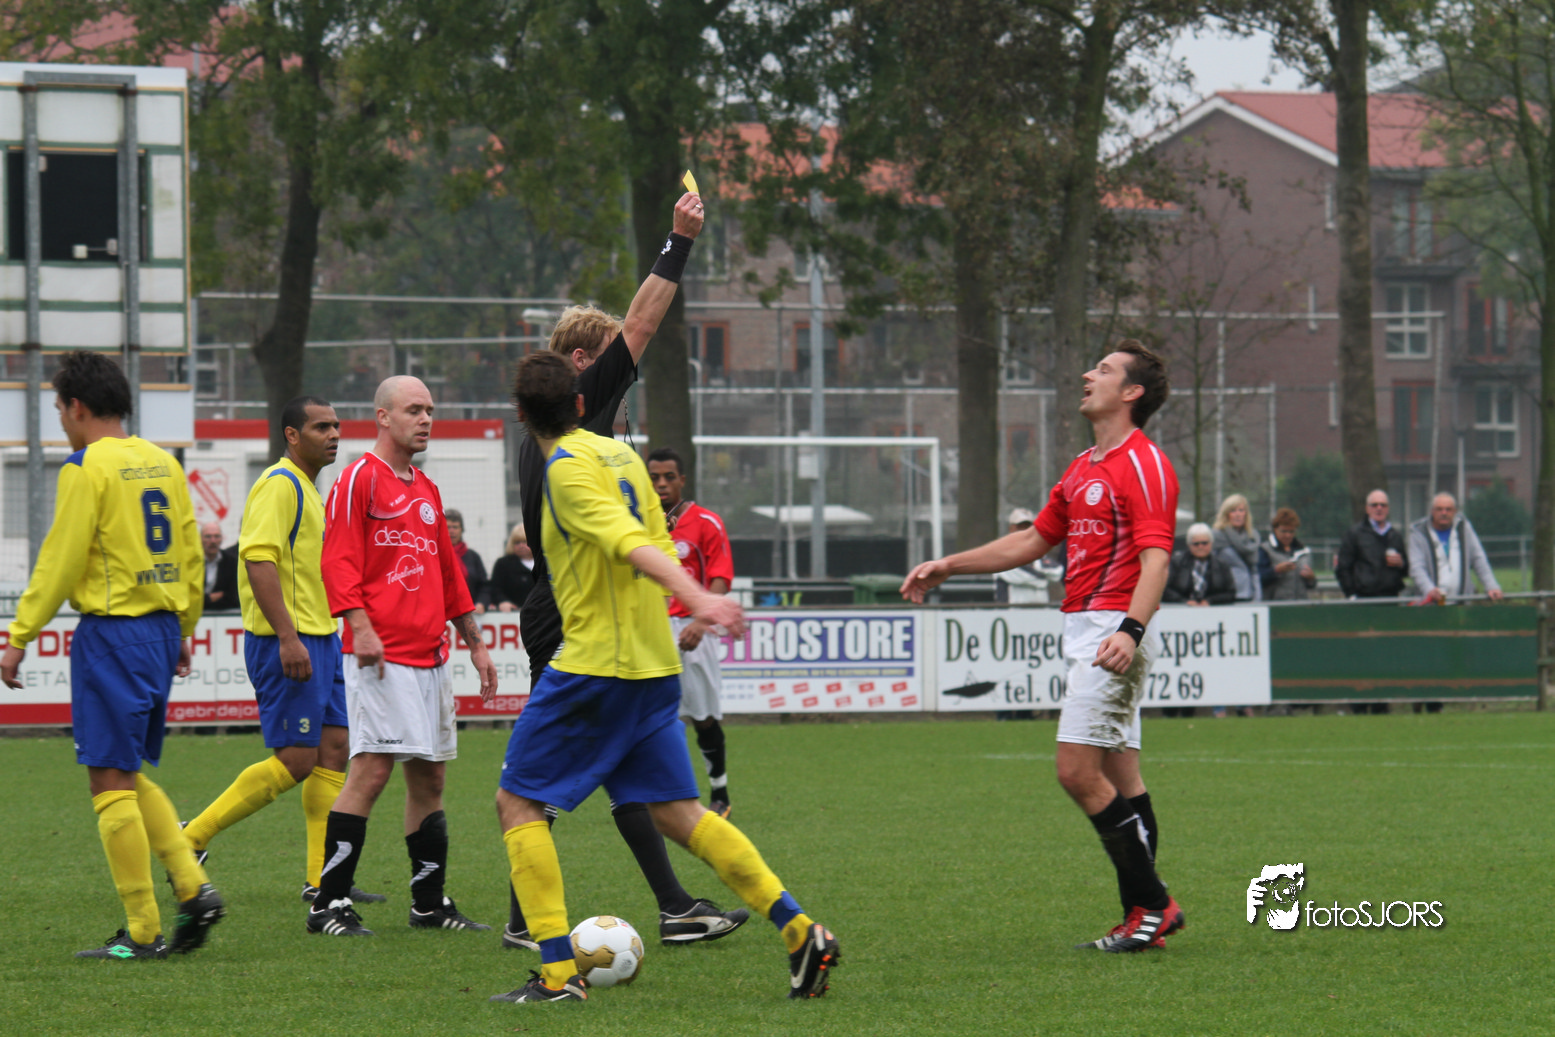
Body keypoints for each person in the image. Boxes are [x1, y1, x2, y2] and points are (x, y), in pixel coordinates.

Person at [491, 352, 839, 1003]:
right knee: (679, 814)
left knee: (517, 802)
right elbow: (657, 537)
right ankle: (798, 929)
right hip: (654, 666)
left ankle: (558, 975)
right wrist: (691, 597)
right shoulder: (623, 457)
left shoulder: (563, 468)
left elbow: (627, 541)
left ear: (519, 414)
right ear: (579, 404)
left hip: (595, 667)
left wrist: (699, 598)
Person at [506, 187, 746, 953]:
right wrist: (679, 241)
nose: (627, 370)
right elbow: (641, 323)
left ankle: (648, 907)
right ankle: (614, 914)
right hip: (570, 613)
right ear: (583, 363)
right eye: (614, 360)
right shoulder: (578, 407)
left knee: (596, 768)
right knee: (553, 776)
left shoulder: (558, 438)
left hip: (565, 609)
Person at [902, 339, 1184, 954]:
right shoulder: (1083, 467)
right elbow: (1032, 540)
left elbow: (1157, 560)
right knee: (1122, 775)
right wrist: (950, 564)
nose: (1088, 374)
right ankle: (1143, 914)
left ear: (1131, 392)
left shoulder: (1144, 463)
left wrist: (1130, 631)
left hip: (1113, 631)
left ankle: (1155, 906)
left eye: (1104, 370)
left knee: (1076, 772)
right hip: (1091, 629)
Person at [0, 350, 223, 959]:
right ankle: (193, 887)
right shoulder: (163, 462)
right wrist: (184, 626)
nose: (61, 421)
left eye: (58, 409)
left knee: (106, 778)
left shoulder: (86, 467)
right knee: (124, 772)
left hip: (113, 633)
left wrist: (20, 635)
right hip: (159, 631)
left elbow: (61, 557)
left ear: (76, 406)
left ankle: (145, 930)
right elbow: (190, 552)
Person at [312, 375, 499, 937]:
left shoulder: (426, 489)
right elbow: (337, 561)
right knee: (371, 771)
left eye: (430, 410)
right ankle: (328, 904)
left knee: (430, 780)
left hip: (430, 657)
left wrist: (475, 643)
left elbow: (449, 575)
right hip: (381, 657)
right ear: (383, 417)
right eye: (414, 410)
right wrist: (360, 627)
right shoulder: (358, 479)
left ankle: (428, 904)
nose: (425, 419)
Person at [180, 397, 384, 908]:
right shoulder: (279, 484)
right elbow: (258, 561)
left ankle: (321, 879)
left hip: (323, 637)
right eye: (321, 427)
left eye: (336, 426)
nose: (334, 434)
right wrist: (288, 637)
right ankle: (192, 837)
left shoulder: (309, 489)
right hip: (288, 641)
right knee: (296, 760)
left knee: (334, 750)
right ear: (292, 435)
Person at [647, 446, 736, 818]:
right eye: (654, 477)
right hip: (649, 629)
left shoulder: (706, 522)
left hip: (692, 630)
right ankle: (656, 792)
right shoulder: (637, 524)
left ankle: (720, 792)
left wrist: (702, 621)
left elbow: (720, 577)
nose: (661, 484)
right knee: (651, 717)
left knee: (703, 716)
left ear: (682, 480)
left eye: (669, 477)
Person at [1407, 493, 1503, 604]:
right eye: (1439, 509)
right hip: (1431, 604)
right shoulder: (1419, 533)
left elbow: (1478, 559)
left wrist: (1491, 586)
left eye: (1448, 509)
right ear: (1432, 511)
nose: (1444, 513)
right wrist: (1429, 589)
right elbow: (1417, 567)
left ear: (1455, 511)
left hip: (1461, 604)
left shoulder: (1464, 528)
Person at [1335, 490, 1408, 600]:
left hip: (1391, 598)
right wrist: (1351, 594)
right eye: (1374, 505)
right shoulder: (1354, 534)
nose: (1379, 508)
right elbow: (1343, 567)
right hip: (1363, 599)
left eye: (1383, 505)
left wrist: (1401, 563)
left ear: (1388, 509)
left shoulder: (1395, 536)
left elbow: (1406, 569)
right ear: (1367, 509)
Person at [995, 508, 1061, 605]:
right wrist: (1044, 578)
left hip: (1040, 610)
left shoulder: (1037, 552)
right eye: (1020, 527)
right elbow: (1023, 576)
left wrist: (1037, 568)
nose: (1025, 531)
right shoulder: (1001, 552)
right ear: (1011, 529)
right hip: (1012, 610)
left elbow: (1057, 571)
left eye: (1028, 527)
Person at [1163, 523, 1236, 606]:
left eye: (1204, 543)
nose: (1200, 547)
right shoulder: (1176, 562)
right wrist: (1184, 601)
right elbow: (1165, 589)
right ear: (1189, 545)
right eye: (1196, 544)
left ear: (1211, 543)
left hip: (1213, 610)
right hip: (1180, 609)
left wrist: (1210, 601)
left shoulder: (1222, 564)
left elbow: (1230, 593)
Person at [1258, 507, 1317, 601]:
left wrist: (1311, 578)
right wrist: (1276, 571)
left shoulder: (1303, 551)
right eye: (1284, 531)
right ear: (1275, 529)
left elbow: (1310, 585)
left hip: (1300, 604)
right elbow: (1259, 579)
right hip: (1275, 605)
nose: (1287, 535)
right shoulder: (1265, 550)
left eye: (1291, 531)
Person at [1212, 493, 1261, 602]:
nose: (1238, 514)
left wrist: (1257, 596)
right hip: (1226, 594)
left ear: (1246, 514)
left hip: (1248, 593)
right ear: (1226, 514)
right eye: (1233, 511)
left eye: (1241, 510)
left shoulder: (1252, 537)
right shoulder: (1217, 536)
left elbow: (1254, 570)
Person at [446, 508, 489, 614]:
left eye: (455, 527)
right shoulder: (434, 556)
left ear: (461, 530)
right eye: (448, 527)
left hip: (470, 612)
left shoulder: (473, 557)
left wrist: (481, 603)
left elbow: (484, 586)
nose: (452, 531)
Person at [487, 524, 536, 613]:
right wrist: (502, 601)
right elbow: (495, 589)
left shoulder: (545, 563)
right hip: (512, 613)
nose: (521, 545)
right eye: (517, 542)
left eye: (525, 541)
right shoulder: (503, 564)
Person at [201, 522, 240, 613]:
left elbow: (233, 597)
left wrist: (203, 600)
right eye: (208, 536)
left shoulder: (231, 562)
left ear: (222, 538)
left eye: (217, 536)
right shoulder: (191, 563)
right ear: (200, 539)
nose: (213, 541)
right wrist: (209, 598)